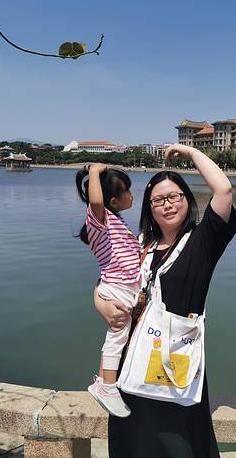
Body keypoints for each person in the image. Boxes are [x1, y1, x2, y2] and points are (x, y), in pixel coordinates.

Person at [94, 144, 236, 458]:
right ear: (149, 208)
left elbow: (224, 190)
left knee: (179, 445)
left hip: (175, 364)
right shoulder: (139, 244)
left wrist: (192, 153)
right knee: (132, 444)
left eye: (174, 196)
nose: (168, 205)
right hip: (132, 362)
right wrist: (101, 304)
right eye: (158, 200)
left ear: (187, 199)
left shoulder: (203, 241)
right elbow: (106, 281)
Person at [76, 164, 141, 418]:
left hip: (122, 286)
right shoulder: (100, 221)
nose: (132, 195)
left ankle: (103, 382)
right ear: (113, 200)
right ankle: (107, 387)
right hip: (116, 287)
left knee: (119, 336)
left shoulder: (117, 221)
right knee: (117, 336)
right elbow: (95, 202)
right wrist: (94, 172)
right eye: (128, 191)